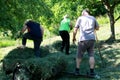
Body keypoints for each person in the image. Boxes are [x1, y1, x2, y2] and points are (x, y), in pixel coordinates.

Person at [73, 9, 99, 76]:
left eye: (82, 13)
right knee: (91, 55)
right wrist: (93, 28)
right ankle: (92, 72)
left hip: (83, 39)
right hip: (92, 39)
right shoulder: (93, 18)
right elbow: (97, 28)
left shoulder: (80, 18)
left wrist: (73, 37)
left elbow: (75, 29)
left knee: (79, 55)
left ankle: (77, 71)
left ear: (84, 13)